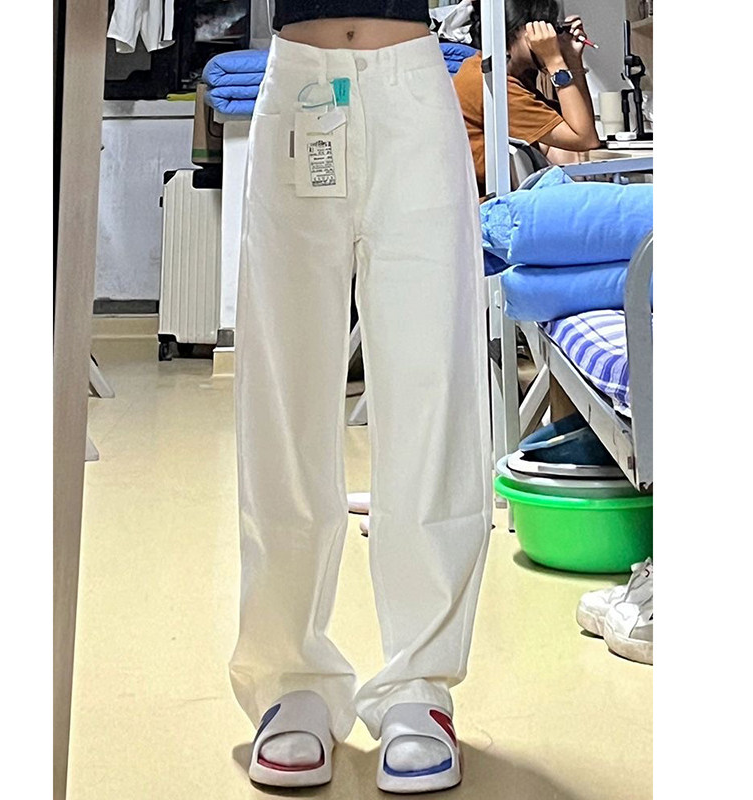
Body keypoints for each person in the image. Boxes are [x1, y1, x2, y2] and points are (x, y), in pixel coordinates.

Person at [229, 1, 491, 794]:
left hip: (412, 84)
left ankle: (418, 684)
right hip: (299, 86)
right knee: (285, 393)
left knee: (431, 382)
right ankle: (292, 678)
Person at [453, 0, 600, 198]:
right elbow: (584, 138)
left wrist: (573, 61)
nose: (551, 37)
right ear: (513, 32)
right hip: (484, 207)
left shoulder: (508, 75)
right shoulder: (490, 83)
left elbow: (573, 124)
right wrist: (555, 60)